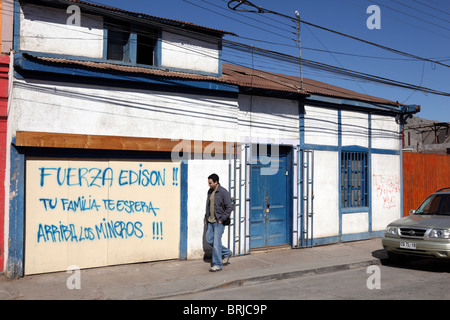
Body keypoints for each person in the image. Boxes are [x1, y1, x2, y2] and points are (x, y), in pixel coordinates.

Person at [205, 173, 233, 272]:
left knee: (216, 244)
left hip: (218, 222)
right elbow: (208, 206)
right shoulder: (210, 191)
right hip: (210, 221)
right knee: (209, 240)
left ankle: (217, 264)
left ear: (216, 182)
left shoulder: (223, 192)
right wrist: (206, 218)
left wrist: (222, 219)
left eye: (210, 183)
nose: (209, 184)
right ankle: (226, 252)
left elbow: (229, 207)